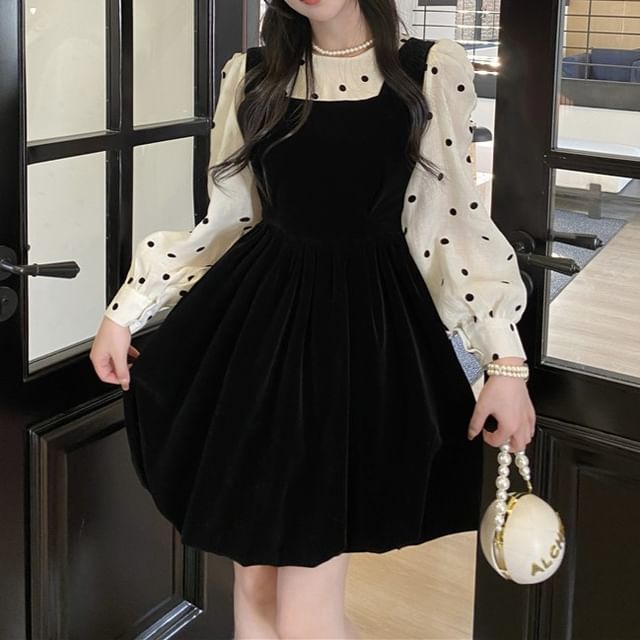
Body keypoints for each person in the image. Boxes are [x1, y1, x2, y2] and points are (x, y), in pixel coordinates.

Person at [90, 1, 536, 638]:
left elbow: (451, 225)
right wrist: (128, 308)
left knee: (305, 599)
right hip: (257, 337)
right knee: (254, 580)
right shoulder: (253, 75)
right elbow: (228, 218)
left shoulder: (427, 69)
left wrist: (504, 359)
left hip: (357, 341)